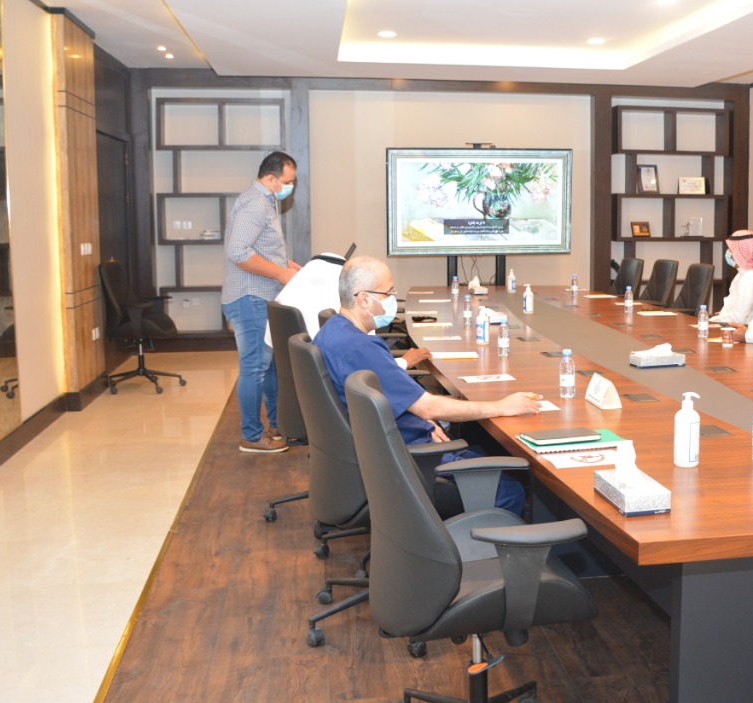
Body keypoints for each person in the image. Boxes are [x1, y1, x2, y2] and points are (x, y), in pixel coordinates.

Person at [312, 255, 540, 514]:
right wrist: (501, 406)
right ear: (364, 299)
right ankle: (476, 540)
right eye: (388, 293)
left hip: (391, 447)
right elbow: (428, 406)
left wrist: (422, 421)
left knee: (488, 454)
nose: (392, 298)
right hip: (410, 460)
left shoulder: (333, 332)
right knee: (511, 488)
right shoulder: (361, 347)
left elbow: (400, 401)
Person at [222, 151, 302, 454]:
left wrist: (286, 265)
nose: (290, 187)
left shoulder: (265, 200)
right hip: (250, 298)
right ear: (271, 179)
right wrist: (280, 273)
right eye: (288, 181)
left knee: (268, 367)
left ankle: (278, 425)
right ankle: (252, 437)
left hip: (259, 296)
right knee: (255, 368)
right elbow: (238, 252)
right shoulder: (256, 204)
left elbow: (260, 248)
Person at [711, 229, 753, 326]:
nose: (728, 252)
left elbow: (738, 319)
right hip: (729, 324)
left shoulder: (751, 277)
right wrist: (723, 314)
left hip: (741, 329)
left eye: (731, 249)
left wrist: (712, 321)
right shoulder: (742, 274)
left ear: (742, 252)